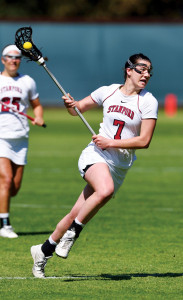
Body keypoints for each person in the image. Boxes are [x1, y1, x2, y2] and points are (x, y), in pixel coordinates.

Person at [31, 53, 158, 278]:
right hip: (96, 155)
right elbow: (77, 109)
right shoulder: (107, 91)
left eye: (149, 71)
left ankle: (43, 251)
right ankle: (73, 234)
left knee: (75, 213)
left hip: (119, 166)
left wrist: (112, 142)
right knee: (105, 190)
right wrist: (71, 104)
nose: (146, 74)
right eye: (141, 69)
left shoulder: (148, 101)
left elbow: (144, 141)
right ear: (128, 70)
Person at [0, 44, 45, 238]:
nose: (13, 60)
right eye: (9, 57)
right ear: (3, 60)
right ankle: (5, 225)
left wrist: (39, 116)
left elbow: (36, 105)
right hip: (1, 137)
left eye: (17, 57)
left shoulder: (27, 81)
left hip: (21, 138)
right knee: (6, 180)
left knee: (14, 188)